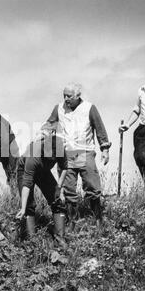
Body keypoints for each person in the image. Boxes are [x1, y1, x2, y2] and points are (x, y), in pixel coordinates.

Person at [45, 83, 111, 229]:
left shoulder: (89, 108)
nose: (66, 99)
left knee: (92, 186)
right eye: (64, 95)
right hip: (66, 153)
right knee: (68, 189)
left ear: (78, 96)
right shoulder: (59, 108)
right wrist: (44, 133)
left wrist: (105, 149)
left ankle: (97, 219)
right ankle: (72, 222)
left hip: (84, 150)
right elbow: (50, 124)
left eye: (69, 96)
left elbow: (99, 127)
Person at [15, 122, 68, 247]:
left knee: (57, 201)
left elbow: (64, 168)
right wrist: (22, 208)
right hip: (25, 170)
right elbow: (27, 184)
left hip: (43, 171)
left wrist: (58, 188)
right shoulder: (34, 154)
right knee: (29, 205)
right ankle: (32, 241)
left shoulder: (59, 147)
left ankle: (60, 239)